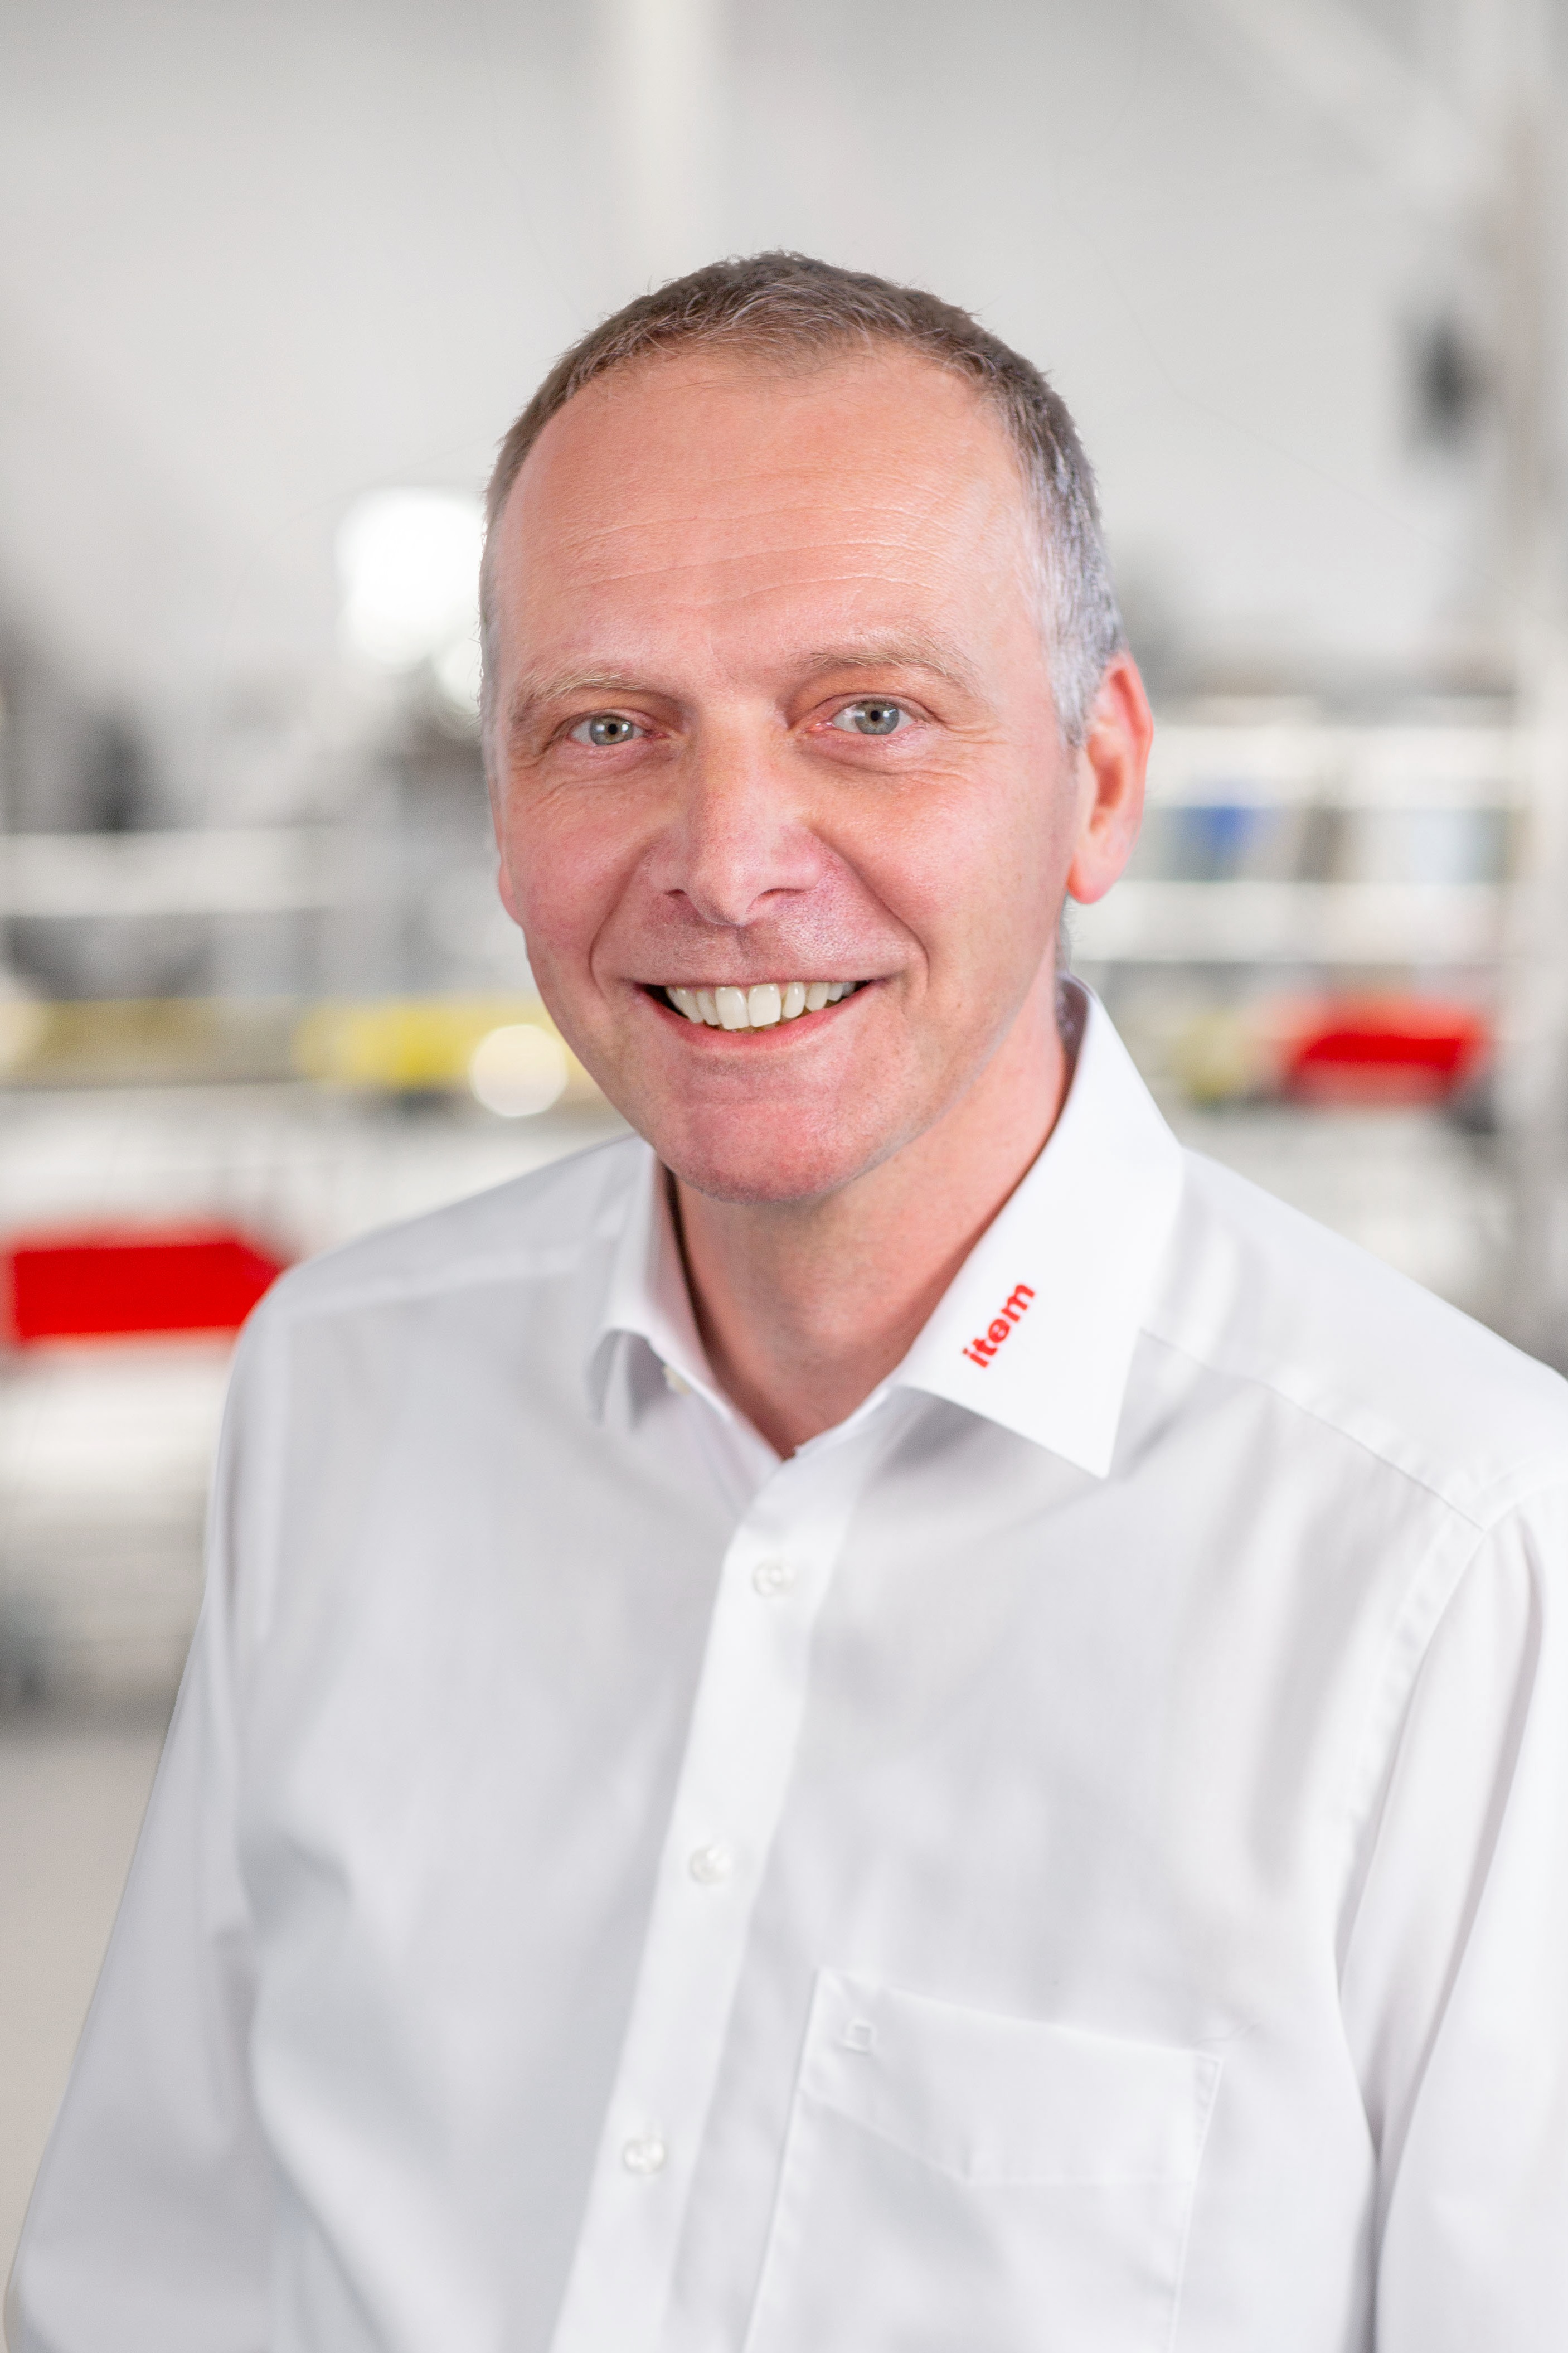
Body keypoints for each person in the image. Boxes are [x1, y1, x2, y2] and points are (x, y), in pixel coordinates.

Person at [9, 252, 1568, 2353]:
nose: (731, 861)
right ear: (502, 810)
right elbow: (155, 2276)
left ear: (1100, 780)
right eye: (608, 727)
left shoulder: (1460, 1565)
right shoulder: (345, 1391)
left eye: (871, 717)